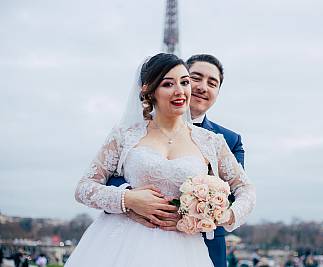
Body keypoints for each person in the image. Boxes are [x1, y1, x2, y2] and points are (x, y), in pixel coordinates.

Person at [65, 53, 255, 267]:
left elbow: (245, 190)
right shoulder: (125, 134)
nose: (180, 91)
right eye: (168, 84)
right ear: (148, 90)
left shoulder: (212, 142)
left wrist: (218, 215)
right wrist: (128, 199)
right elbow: (83, 188)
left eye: (184, 82)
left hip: (185, 250)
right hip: (121, 245)